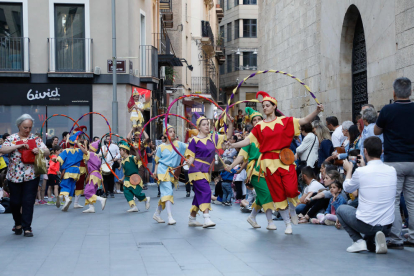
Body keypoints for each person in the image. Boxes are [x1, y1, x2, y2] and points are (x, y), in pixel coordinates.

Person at [230, 91, 323, 234]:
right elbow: (248, 140)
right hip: (268, 162)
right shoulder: (259, 126)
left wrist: (316, 111)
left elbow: (304, 120)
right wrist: (233, 145)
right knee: (278, 194)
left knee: (291, 189)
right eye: (263, 106)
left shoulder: (285, 121)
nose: (265, 108)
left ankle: (292, 209)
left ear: (274, 107)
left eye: (267, 105)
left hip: (285, 160)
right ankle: (287, 224)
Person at [337, 137, 396, 254]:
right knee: (370, 244)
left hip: (367, 224)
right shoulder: (392, 170)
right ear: (382, 151)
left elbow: (347, 188)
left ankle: (358, 241)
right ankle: (376, 238)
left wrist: (349, 170)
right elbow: (374, 180)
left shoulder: (361, 172)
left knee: (340, 209)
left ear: (365, 151)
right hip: (387, 225)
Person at [374, 77, 414, 249]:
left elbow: (376, 131)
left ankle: (396, 238)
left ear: (394, 93)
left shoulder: (388, 110)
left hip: (394, 161)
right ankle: (412, 236)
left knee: (394, 200)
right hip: (412, 160)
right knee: (412, 200)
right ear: (411, 92)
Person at [0, 114, 50, 237]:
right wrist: (18, 145)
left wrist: (40, 151)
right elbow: (3, 150)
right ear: (19, 126)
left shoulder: (36, 139)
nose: (27, 130)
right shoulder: (12, 138)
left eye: (29, 127)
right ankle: (18, 223)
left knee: (28, 202)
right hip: (13, 176)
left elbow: (47, 151)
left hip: (31, 176)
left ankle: (27, 227)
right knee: (15, 202)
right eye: (25, 127)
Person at [185, 112, 233, 228]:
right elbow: (190, 156)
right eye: (204, 124)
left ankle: (192, 218)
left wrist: (231, 124)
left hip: (205, 171)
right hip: (196, 169)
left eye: (208, 124)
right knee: (206, 191)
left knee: (198, 195)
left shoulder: (213, 138)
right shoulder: (194, 140)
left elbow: (228, 136)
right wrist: (189, 161)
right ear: (199, 127)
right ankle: (207, 218)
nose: (207, 126)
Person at [153, 123, 187, 225]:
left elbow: (190, 147)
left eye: (173, 132)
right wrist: (155, 172)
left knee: (165, 193)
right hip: (163, 171)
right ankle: (170, 217)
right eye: (170, 131)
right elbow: (157, 161)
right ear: (165, 134)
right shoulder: (161, 147)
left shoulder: (179, 144)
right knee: (168, 192)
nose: (172, 133)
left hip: (173, 172)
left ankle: (157, 213)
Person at [118, 141, 150, 212]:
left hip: (135, 178)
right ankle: (133, 206)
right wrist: (122, 179)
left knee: (136, 193)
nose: (119, 151)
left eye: (120, 150)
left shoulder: (131, 157)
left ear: (125, 150)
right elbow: (125, 173)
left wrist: (136, 150)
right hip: (127, 179)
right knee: (126, 192)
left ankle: (146, 199)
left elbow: (138, 158)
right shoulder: (122, 161)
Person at [56, 131, 84, 211]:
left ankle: (65, 198)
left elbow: (60, 159)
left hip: (68, 170)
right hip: (76, 171)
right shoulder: (79, 151)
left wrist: (55, 159)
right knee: (71, 186)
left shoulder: (66, 151)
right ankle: (63, 199)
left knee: (65, 185)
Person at [77, 140, 107, 213]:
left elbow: (85, 152)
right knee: (91, 191)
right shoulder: (97, 156)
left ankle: (101, 199)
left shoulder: (91, 154)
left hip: (93, 175)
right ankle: (91, 207)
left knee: (87, 191)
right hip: (97, 176)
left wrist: (79, 144)